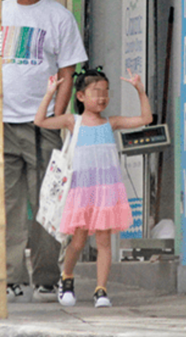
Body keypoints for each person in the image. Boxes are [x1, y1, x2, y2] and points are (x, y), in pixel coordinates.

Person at [0, 0, 88, 303]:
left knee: (46, 200)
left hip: (40, 124)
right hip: (0, 120)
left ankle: (45, 276)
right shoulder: (0, 12)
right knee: (5, 201)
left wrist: (55, 116)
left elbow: (68, 73)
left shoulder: (58, 17)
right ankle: (8, 277)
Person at [33, 67, 152, 308]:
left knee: (104, 242)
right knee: (76, 243)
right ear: (80, 96)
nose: (102, 97)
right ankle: (66, 278)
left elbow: (146, 119)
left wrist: (140, 90)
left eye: (106, 92)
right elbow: (40, 121)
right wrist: (49, 94)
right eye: (96, 92)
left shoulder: (112, 122)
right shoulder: (72, 121)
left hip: (106, 191)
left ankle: (101, 289)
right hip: (81, 190)